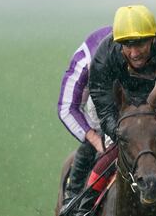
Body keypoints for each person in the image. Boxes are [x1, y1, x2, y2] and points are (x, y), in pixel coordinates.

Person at [74, 5, 156, 216]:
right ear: (118, 44)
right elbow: (102, 101)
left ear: (153, 38)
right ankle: (83, 208)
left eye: (140, 44)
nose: (134, 53)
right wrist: (116, 131)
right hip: (118, 104)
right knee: (118, 146)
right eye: (127, 45)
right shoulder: (104, 56)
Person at [57, 26, 112, 210]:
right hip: (97, 102)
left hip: (137, 96)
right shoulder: (85, 62)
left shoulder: (147, 53)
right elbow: (67, 108)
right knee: (93, 144)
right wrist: (95, 139)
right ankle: (72, 200)